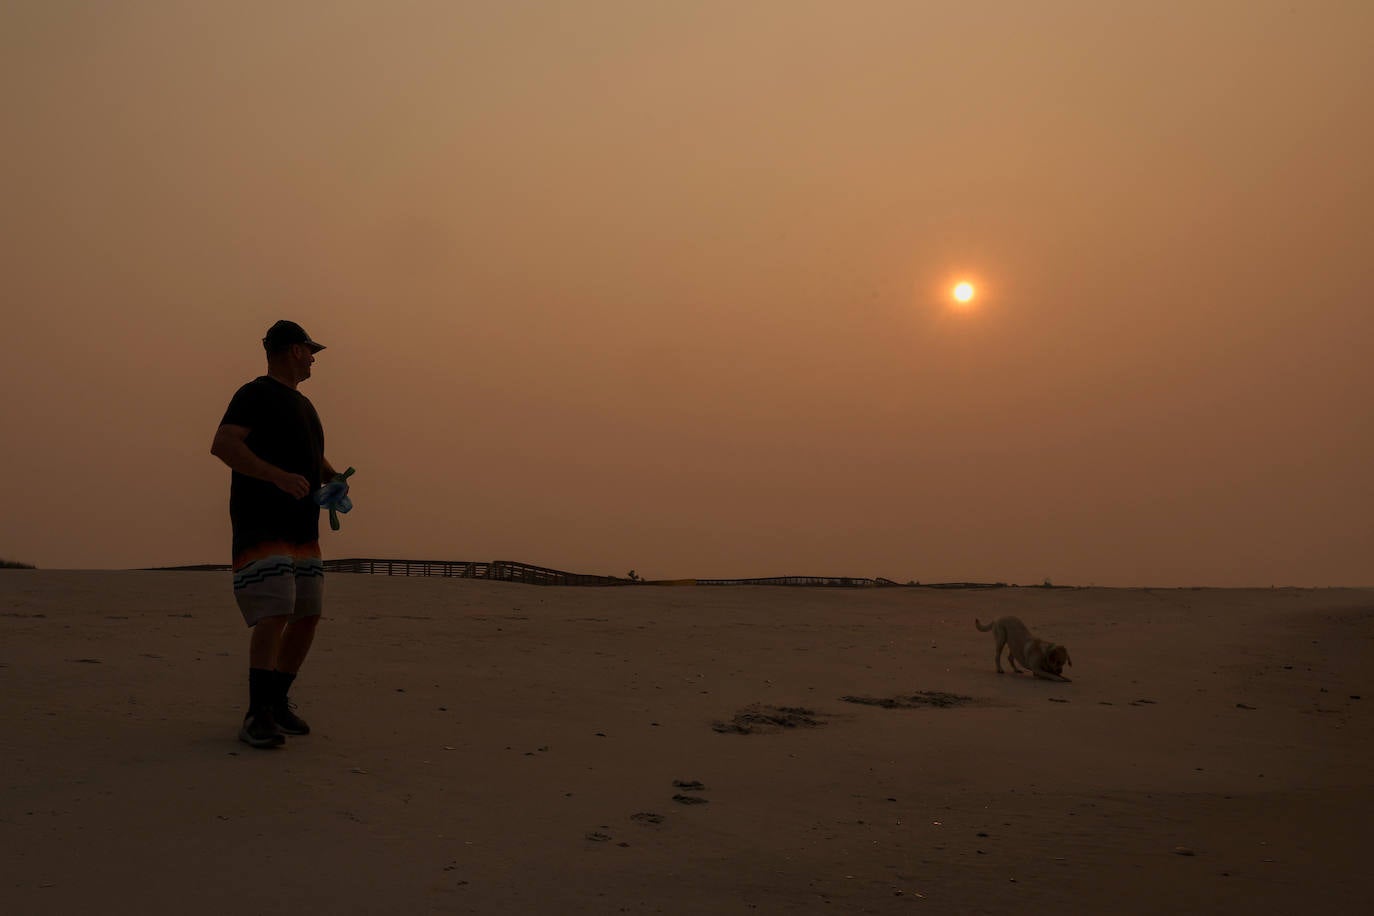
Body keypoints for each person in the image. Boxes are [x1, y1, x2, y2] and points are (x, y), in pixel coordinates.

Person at [210, 320, 344, 749]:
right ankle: (256, 714)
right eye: (309, 350)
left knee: (307, 613)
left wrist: (333, 477)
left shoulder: (305, 406)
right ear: (291, 350)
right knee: (275, 610)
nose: (313, 358)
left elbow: (311, 457)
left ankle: (278, 700)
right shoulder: (254, 394)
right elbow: (224, 445)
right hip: (261, 521)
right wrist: (278, 478)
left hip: (303, 528)